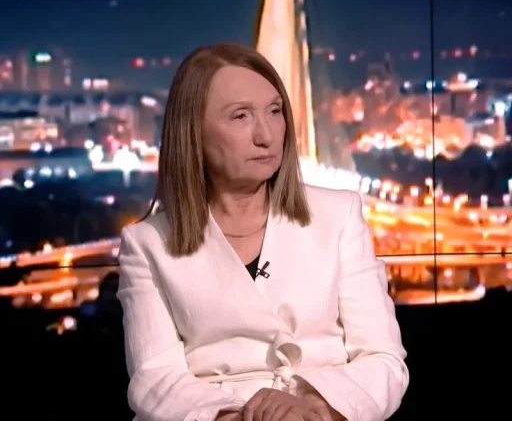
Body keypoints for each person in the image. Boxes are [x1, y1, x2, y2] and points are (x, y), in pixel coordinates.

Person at [117, 43, 409, 421]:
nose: (267, 135)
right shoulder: (147, 244)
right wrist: (241, 417)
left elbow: (384, 361)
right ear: (192, 132)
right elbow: (155, 379)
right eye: (241, 116)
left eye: (275, 111)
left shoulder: (339, 216)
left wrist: (312, 408)